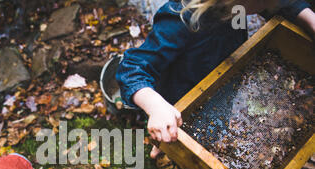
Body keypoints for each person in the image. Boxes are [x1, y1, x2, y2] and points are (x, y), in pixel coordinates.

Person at [116, 0, 315, 158]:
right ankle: (164, 147)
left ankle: (190, 145)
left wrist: (309, 19)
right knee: (173, 131)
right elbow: (132, 67)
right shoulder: (183, 19)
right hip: (180, 97)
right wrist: (155, 105)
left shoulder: (238, 6)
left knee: (210, 128)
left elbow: (285, 4)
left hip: (221, 83)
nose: (270, 5)